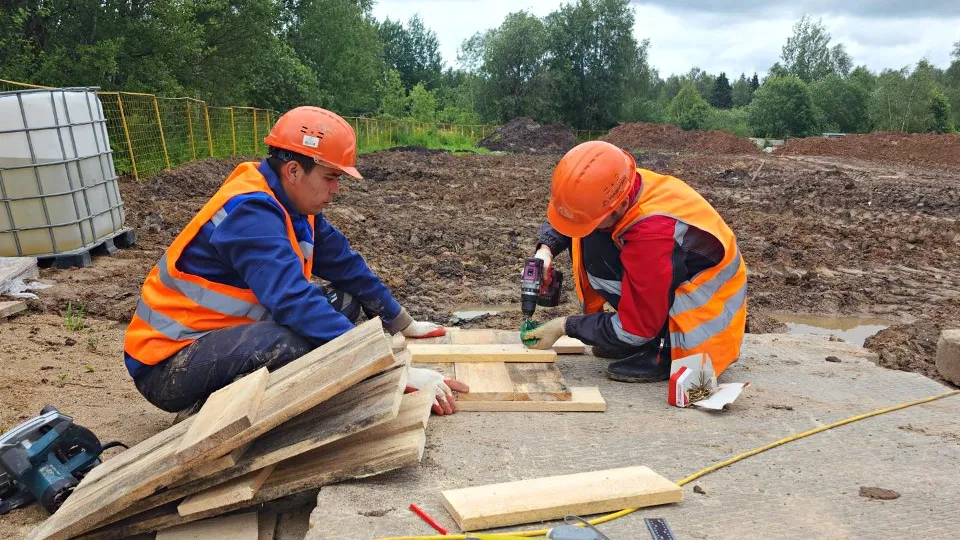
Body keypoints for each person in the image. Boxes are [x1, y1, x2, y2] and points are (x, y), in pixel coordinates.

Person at [123, 106, 467, 415]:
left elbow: (346, 265)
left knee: (344, 302)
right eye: (330, 177)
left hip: (218, 334)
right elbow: (294, 301)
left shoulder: (296, 205)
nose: (336, 189)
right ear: (292, 170)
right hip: (168, 363)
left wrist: (400, 322)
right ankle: (212, 410)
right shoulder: (250, 211)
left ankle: (235, 389)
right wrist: (390, 368)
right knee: (292, 345)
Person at [524, 141, 747, 382]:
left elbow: (635, 325)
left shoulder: (652, 233)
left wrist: (564, 327)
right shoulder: (616, 184)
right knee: (595, 239)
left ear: (617, 206)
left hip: (700, 322)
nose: (581, 227)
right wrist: (545, 250)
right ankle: (639, 338)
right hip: (664, 272)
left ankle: (664, 349)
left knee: (633, 325)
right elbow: (573, 214)